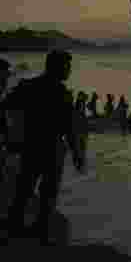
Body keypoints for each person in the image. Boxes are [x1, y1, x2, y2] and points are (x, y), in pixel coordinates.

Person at [3, 50, 85, 245]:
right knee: (47, 193)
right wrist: (77, 154)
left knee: (24, 189)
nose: (69, 71)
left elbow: (6, 105)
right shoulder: (62, 94)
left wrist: (11, 134)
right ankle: (40, 231)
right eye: (67, 66)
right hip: (52, 149)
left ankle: (17, 227)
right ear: (57, 67)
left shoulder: (28, 86)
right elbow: (70, 128)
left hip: (32, 146)